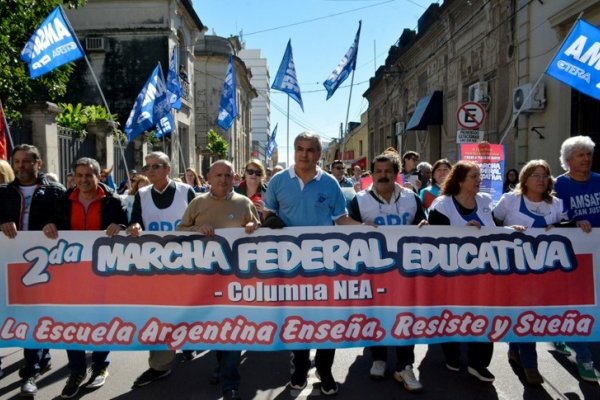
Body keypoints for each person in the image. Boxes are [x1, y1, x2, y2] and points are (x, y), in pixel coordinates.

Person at [263, 131, 361, 396]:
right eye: (299, 148)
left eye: (310, 149)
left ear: (319, 154)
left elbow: (341, 219)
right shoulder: (278, 181)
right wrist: (270, 222)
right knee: (298, 317)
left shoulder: (330, 184)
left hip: (324, 263)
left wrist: (367, 229)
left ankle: (325, 369)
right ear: (294, 151)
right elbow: (268, 213)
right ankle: (300, 366)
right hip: (289, 264)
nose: (304, 154)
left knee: (327, 318)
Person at [41, 157, 128, 398]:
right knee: (73, 320)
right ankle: (77, 370)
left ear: (99, 176)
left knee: (102, 319)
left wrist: (120, 228)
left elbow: (127, 226)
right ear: (73, 177)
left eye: (88, 175)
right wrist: (47, 226)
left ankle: (100, 366)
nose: (83, 180)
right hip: (71, 273)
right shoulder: (62, 200)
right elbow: (50, 226)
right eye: (79, 175)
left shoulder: (113, 201)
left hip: (103, 272)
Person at [178, 160, 261, 400]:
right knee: (216, 329)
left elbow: (258, 230)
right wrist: (196, 230)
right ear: (209, 177)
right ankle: (221, 364)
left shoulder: (244, 203)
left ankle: (230, 384)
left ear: (234, 177)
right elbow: (179, 231)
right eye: (218, 175)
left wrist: (252, 226)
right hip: (205, 279)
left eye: (227, 175)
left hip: (236, 280)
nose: (223, 180)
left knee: (233, 330)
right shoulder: (197, 203)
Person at [348, 152, 426, 392]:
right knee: (377, 312)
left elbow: (424, 226)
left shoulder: (412, 198)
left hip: (406, 269)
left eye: (388, 171)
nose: (383, 176)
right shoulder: (359, 200)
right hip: (374, 269)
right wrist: (360, 227)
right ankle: (378, 358)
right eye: (378, 171)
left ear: (396, 174)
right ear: (372, 174)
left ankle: (405, 366)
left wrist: (425, 227)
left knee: (406, 315)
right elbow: (345, 231)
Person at [493, 159, 571, 385]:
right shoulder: (509, 201)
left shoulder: (556, 204)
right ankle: (530, 365)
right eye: (536, 175)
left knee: (530, 314)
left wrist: (567, 227)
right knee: (524, 313)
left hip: (544, 271)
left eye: (545, 175)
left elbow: (567, 232)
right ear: (525, 179)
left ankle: (515, 349)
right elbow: (491, 226)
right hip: (512, 269)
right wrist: (508, 230)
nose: (541, 179)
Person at [0, 144, 66, 396]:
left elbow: (67, 222)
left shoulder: (55, 191)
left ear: (38, 163)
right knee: (13, 313)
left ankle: (31, 372)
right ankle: (42, 356)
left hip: (44, 265)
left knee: (34, 315)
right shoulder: (3, 192)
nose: (20, 166)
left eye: (27, 162)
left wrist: (55, 224)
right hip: (9, 263)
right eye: (16, 161)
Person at [126, 151, 196, 387]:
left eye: (157, 166)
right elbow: (135, 222)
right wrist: (133, 225)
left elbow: (199, 219)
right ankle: (159, 365)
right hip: (155, 266)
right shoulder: (142, 195)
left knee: (186, 312)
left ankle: (187, 343)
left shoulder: (186, 191)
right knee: (159, 315)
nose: (152, 171)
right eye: (148, 167)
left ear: (168, 168)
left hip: (185, 264)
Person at [427, 160, 495, 383]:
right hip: (452, 274)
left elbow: (497, 228)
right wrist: (461, 232)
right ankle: (452, 354)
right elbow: (435, 239)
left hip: (483, 272)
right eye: (473, 177)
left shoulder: (485, 200)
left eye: (479, 176)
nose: (479, 180)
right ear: (459, 180)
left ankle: (479, 363)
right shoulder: (442, 204)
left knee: (483, 315)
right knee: (453, 313)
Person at [553, 135, 599, 382]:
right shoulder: (558, 185)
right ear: (568, 160)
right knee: (577, 303)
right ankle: (584, 357)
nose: (586, 159)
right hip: (573, 254)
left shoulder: (599, 181)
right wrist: (572, 222)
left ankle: (563, 334)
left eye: (589, 154)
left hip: (598, 252)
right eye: (581, 155)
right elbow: (552, 217)